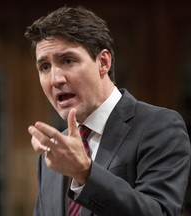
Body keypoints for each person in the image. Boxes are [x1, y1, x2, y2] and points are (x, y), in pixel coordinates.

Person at [25, 5, 191, 216]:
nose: (56, 79)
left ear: (103, 62)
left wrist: (85, 172)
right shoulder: (55, 153)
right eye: (45, 67)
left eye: (68, 60)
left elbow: (160, 213)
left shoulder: (159, 126)